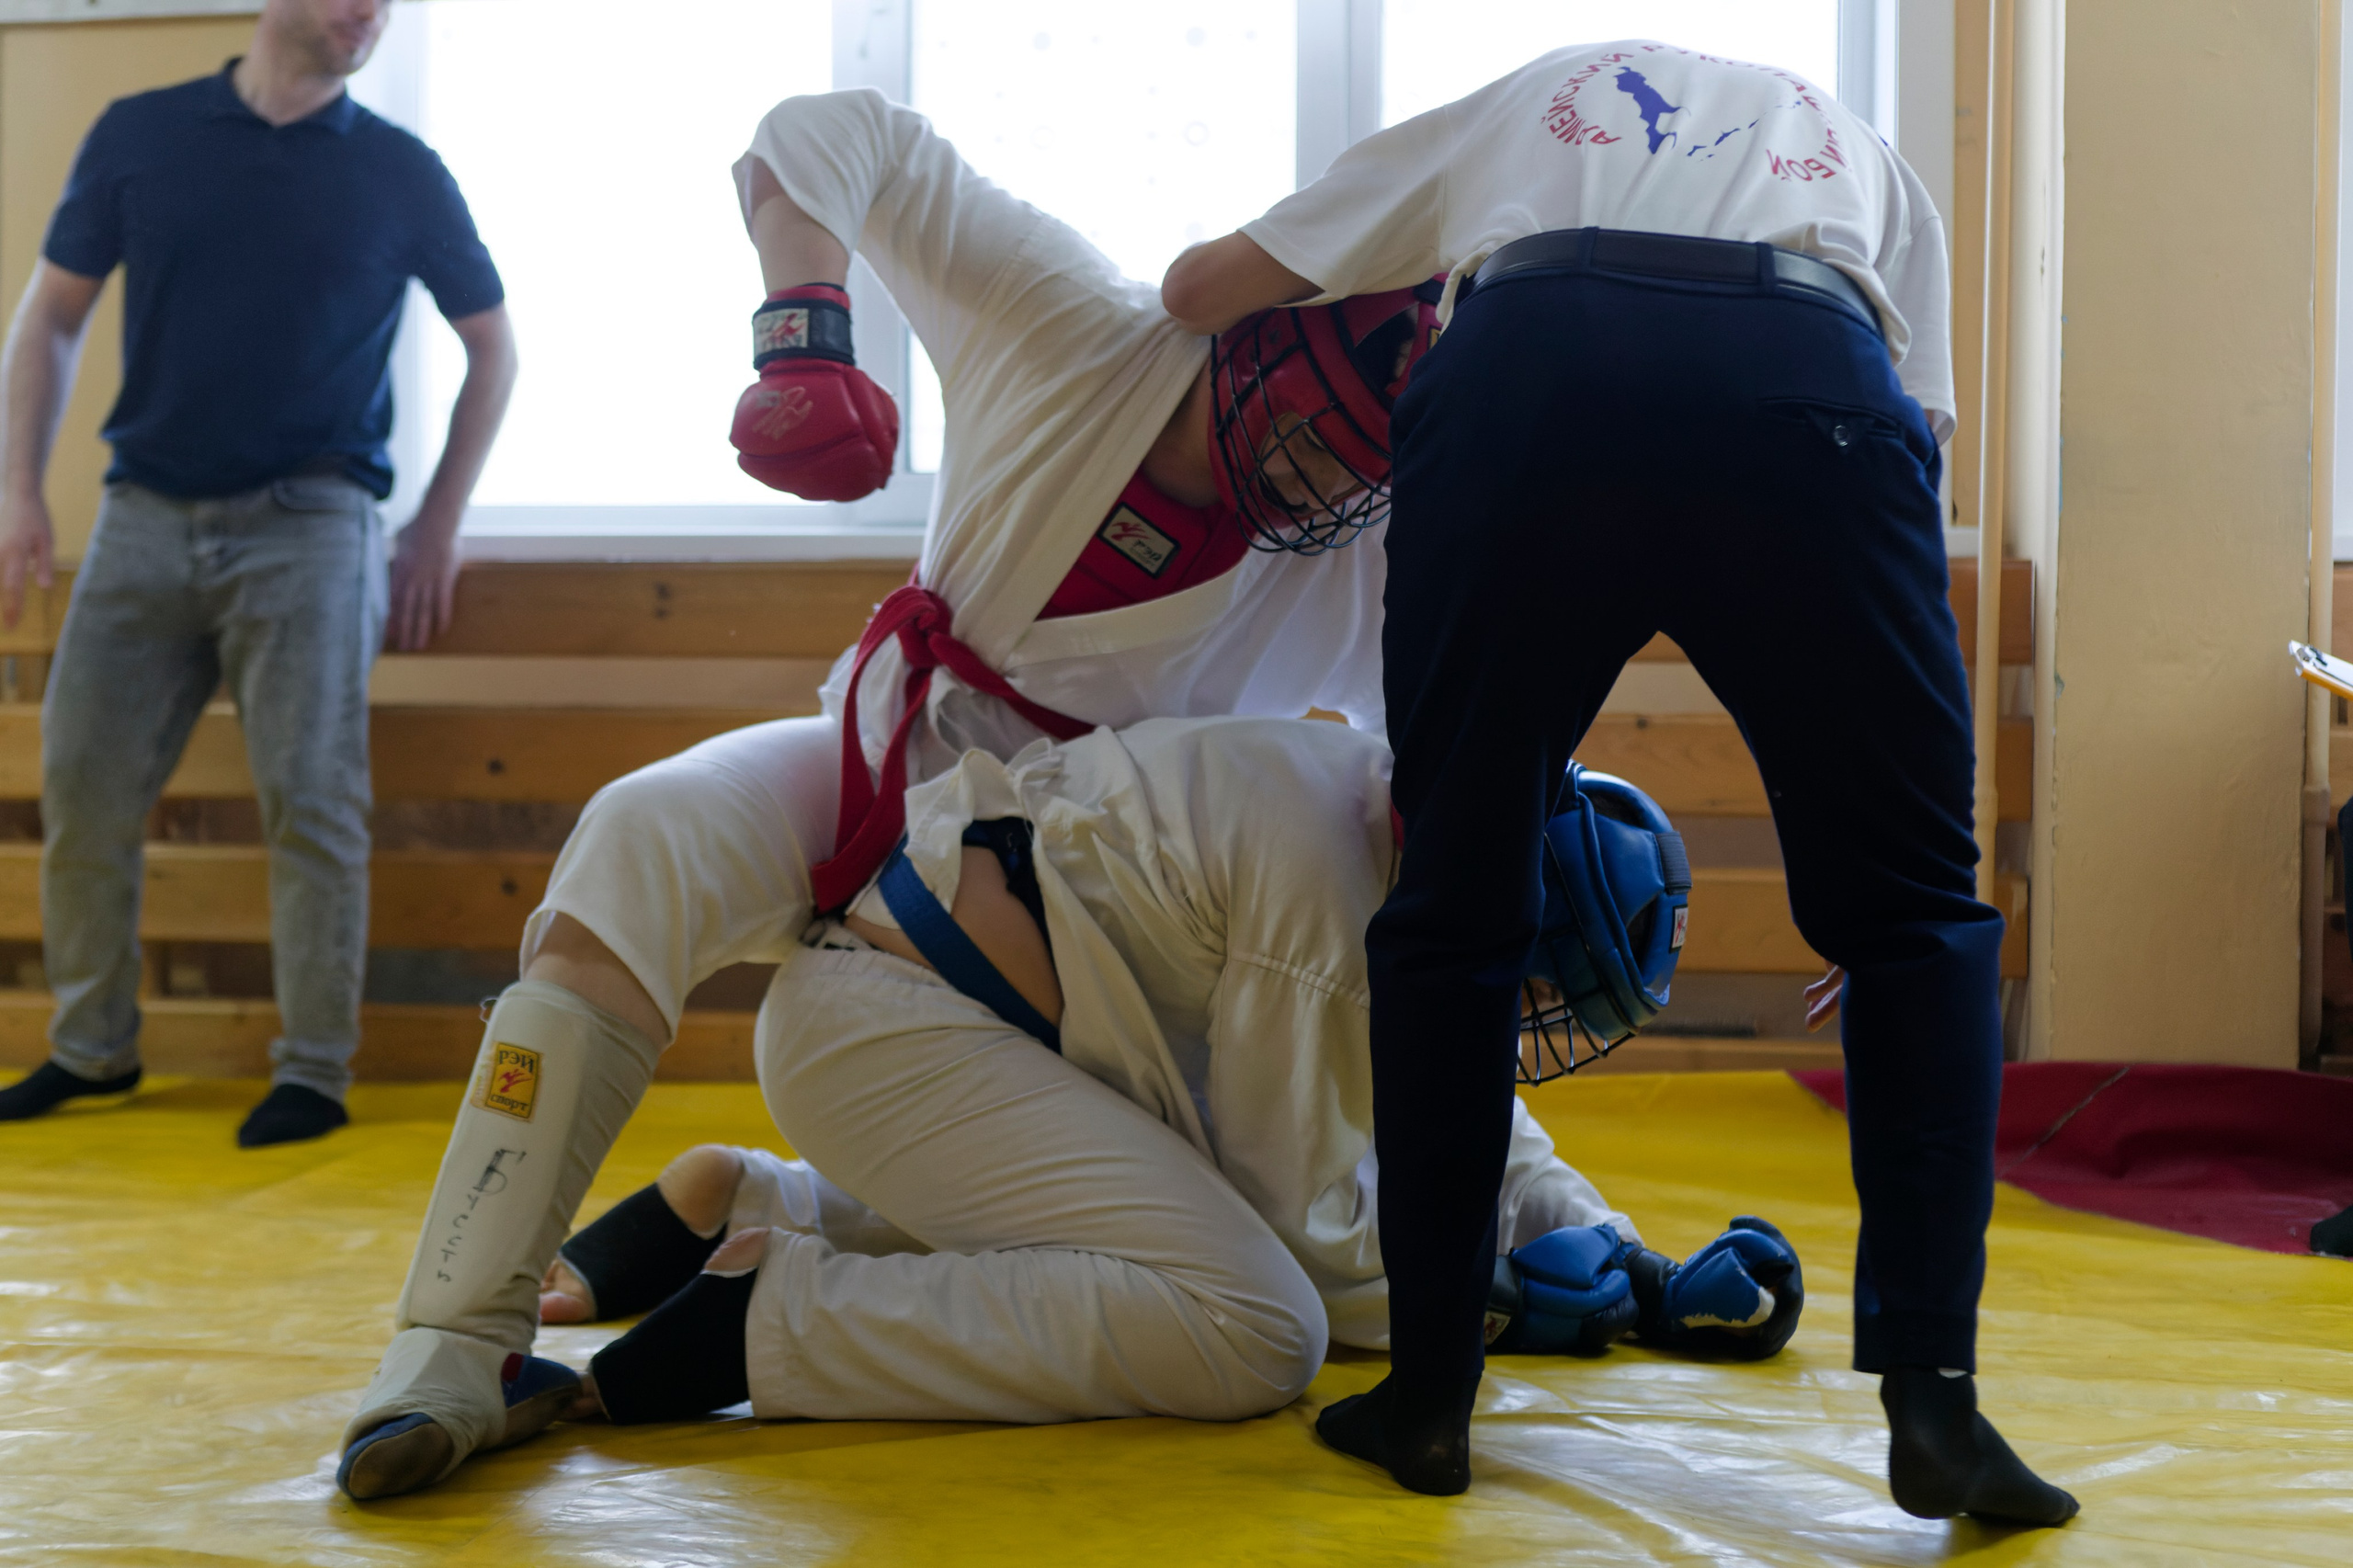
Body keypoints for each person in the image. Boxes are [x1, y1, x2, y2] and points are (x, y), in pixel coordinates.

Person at [338, 85, 1444, 1493]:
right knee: (643, 832)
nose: (1315, 478)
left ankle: (773, 1211)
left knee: (1229, 1227)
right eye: (1310, 426)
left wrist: (1559, 1212)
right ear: (1251, 336)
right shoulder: (1074, 324)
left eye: (1355, 463)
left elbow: (1427, 820)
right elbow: (825, 135)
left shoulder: (1361, 557)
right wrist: (803, 330)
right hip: (886, 757)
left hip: (1065, 921)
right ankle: (455, 1337)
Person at [1161, 41, 2076, 1526]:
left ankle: (1431, 1394)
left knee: (1455, 904)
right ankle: (1938, 1405)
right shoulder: (1863, 154)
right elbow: (1918, 452)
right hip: (1810, 376)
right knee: (1922, 924)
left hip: (1536, 369)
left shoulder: (1532, 98)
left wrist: (1381, 294)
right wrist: (1896, 870)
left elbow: (1200, 289)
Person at [335, 714, 1802, 1494]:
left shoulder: (1401, 828)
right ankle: (771, 1317)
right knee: (1255, 1324)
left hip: (950, 1028)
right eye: (1536, 984)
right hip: (892, 1028)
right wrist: (1489, 1290)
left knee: (1186, 1237)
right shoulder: (1328, 900)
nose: (1521, 1014)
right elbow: (1314, 1243)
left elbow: (1477, 1114)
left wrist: (1629, 1256)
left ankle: (760, 1200)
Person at [0, 0, 515, 1147]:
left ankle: (313, 1070)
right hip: (142, 518)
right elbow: (51, 318)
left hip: (313, 525)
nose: (369, 13)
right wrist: (19, 489)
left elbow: (493, 345)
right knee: (80, 784)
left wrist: (436, 522)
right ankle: (91, 1048)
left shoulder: (401, 172)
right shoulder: (140, 134)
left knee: (311, 800)